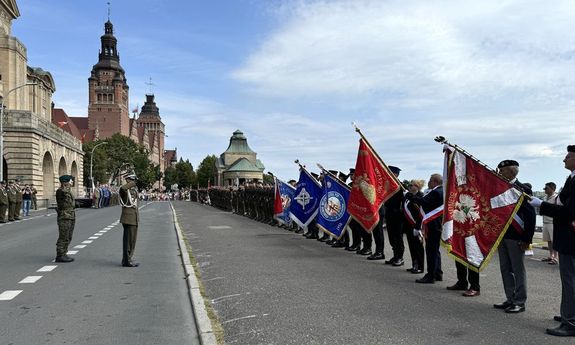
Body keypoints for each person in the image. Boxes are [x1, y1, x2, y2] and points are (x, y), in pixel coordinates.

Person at [532, 145, 575, 336]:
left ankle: (570, 323)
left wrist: (541, 205)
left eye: (568, 157)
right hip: (567, 237)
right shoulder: (571, 178)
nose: (564, 160)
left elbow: (569, 212)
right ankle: (569, 313)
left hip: (571, 238)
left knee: (570, 280)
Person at [493, 160, 535, 313]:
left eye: (502, 170)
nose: (499, 173)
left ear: (511, 172)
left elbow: (530, 216)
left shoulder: (523, 189)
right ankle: (510, 298)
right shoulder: (498, 188)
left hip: (516, 235)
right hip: (502, 234)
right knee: (505, 268)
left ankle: (519, 301)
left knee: (518, 269)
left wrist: (527, 239)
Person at [407, 173, 444, 284]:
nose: (428, 182)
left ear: (435, 181)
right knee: (435, 251)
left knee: (431, 251)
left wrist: (411, 197)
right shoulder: (442, 191)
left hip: (432, 225)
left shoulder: (437, 192)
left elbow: (424, 202)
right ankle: (438, 273)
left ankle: (430, 275)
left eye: (430, 180)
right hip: (436, 225)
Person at [383, 166, 405, 266]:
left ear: (395, 174)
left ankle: (400, 257)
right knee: (391, 237)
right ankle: (395, 255)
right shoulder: (387, 185)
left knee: (398, 237)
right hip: (389, 213)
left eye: (390, 172)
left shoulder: (401, 186)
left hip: (398, 215)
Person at [403, 179, 425, 273]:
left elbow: (421, 214)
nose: (410, 186)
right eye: (410, 185)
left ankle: (420, 267)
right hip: (408, 225)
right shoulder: (408, 196)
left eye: (412, 185)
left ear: (418, 187)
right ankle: (414, 264)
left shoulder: (421, 196)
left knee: (418, 247)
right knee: (412, 246)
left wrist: (418, 226)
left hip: (417, 225)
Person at [119, 173, 140, 267]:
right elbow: (122, 189)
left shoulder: (133, 190)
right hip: (128, 218)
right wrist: (131, 183)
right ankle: (127, 261)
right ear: (127, 180)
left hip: (134, 217)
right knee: (128, 241)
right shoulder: (124, 190)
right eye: (131, 179)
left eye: (134, 180)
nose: (134, 181)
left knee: (132, 240)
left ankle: (127, 259)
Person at [55, 175, 76, 263]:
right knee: (63, 236)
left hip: (70, 216)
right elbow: (62, 200)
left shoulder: (68, 191)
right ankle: (60, 255)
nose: (72, 182)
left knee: (68, 236)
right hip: (64, 216)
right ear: (65, 182)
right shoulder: (61, 191)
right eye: (70, 181)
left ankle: (64, 253)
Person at [541, 182, 558, 265]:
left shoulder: (556, 198)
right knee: (548, 240)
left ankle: (555, 257)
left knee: (554, 240)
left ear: (552, 188)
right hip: (545, 221)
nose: (545, 190)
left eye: (546, 188)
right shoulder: (544, 198)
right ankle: (551, 255)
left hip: (552, 222)